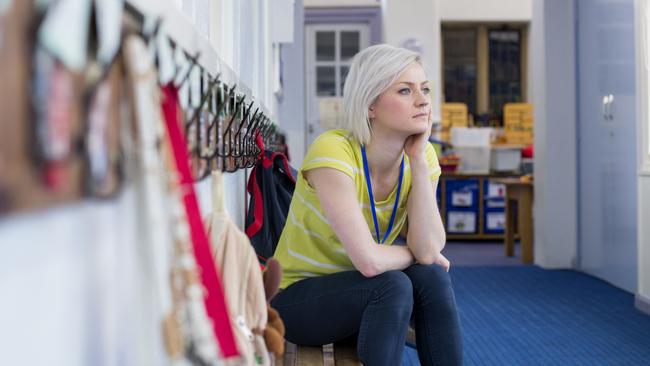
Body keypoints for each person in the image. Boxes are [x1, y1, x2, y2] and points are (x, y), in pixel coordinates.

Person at [270, 44, 463, 366]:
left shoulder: (423, 156)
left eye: (425, 89)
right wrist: (415, 254)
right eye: (405, 90)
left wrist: (416, 159)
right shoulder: (333, 151)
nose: (423, 100)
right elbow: (370, 263)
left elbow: (429, 251)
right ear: (370, 105)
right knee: (391, 283)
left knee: (431, 278)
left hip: (366, 300)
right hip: (298, 302)